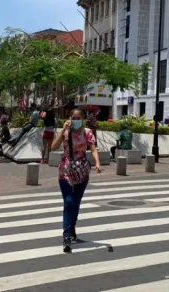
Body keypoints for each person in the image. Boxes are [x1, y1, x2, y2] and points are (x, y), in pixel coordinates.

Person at [51, 108, 101, 253]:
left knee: (76, 202)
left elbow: (93, 148)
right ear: (70, 118)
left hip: (82, 170)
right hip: (66, 170)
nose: (76, 120)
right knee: (69, 202)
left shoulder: (87, 132)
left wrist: (97, 163)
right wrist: (62, 131)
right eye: (73, 117)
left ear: (83, 119)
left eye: (78, 117)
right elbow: (53, 147)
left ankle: (72, 226)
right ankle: (66, 235)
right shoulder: (66, 132)